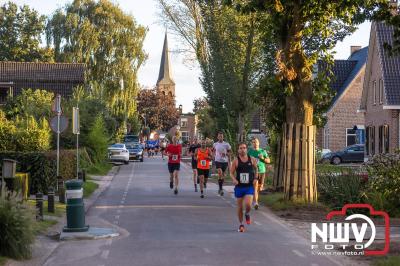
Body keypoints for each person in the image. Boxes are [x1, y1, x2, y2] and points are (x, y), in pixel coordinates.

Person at [230, 142, 258, 232]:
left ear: (246, 149)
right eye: (241, 148)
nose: (243, 149)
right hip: (239, 186)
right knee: (240, 207)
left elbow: (256, 169)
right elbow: (231, 172)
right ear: (238, 150)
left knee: (248, 205)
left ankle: (247, 213)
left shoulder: (252, 159)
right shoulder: (236, 160)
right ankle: (241, 224)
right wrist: (234, 179)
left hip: (249, 186)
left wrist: (256, 178)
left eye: (244, 148)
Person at [248, 138, 270, 210]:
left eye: (256, 142)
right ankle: (256, 203)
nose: (255, 144)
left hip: (262, 171)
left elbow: (268, 161)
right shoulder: (250, 152)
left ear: (258, 143)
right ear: (252, 144)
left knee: (259, 189)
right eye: (253, 142)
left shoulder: (263, 151)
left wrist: (263, 158)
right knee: (255, 186)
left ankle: (254, 198)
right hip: (254, 171)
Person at [213, 132, 231, 196]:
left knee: (222, 175)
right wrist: (214, 156)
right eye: (219, 136)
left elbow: (229, 154)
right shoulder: (215, 144)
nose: (220, 137)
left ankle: (220, 188)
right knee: (220, 173)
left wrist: (225, 154)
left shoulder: (226, 144)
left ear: (223, 137)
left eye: (221, 136)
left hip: (224, 162)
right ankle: (221, 189)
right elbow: (213, 151)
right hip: (217, 161)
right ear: (217, 137)